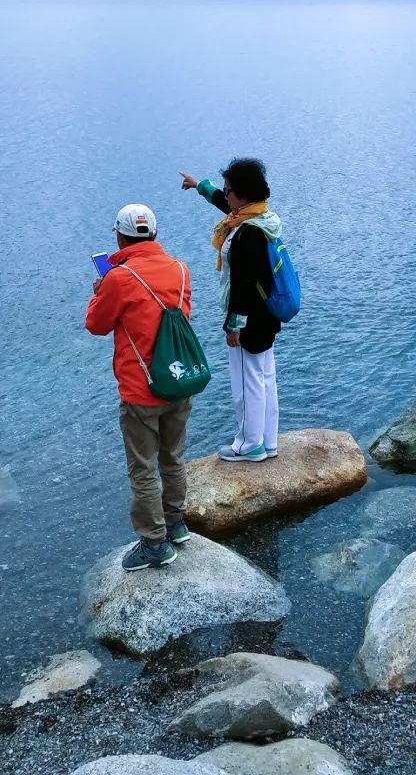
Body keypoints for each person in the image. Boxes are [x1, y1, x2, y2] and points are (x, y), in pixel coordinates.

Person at [85, 203, 194, 570]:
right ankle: (176, 524)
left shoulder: (119, 278)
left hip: (141, 387)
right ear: (155, 234)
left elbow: (97, 325)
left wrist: (99, 292)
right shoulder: (180, 269)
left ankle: (154, 543)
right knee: (173, 457)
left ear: (120, 236)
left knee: (142, 469)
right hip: (178, 379)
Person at [179, 158, 281, 462]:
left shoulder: (248, 233)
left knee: (246, 383)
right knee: (264, 377)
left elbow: (244, 284)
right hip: (266, 314)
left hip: (250, 319)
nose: (225, 195)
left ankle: (249, 445)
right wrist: (200, 186)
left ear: (243, 194)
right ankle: (268, 441)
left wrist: (234, 325)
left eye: (228, 190)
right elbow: (226, 206)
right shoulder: (261, 217)